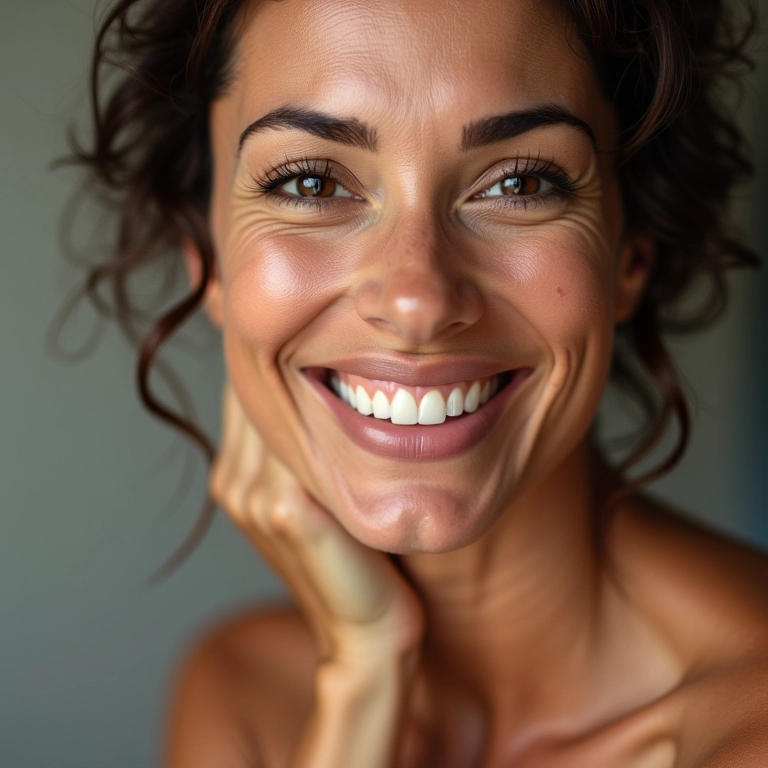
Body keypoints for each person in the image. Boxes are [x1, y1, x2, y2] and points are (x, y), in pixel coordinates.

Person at [66, 0, 768, 764]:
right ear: (206, 258)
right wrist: (366, 672)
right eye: (309, 184)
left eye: (521, 183)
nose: (417, 302)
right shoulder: (244, 694)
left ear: (632, 252)